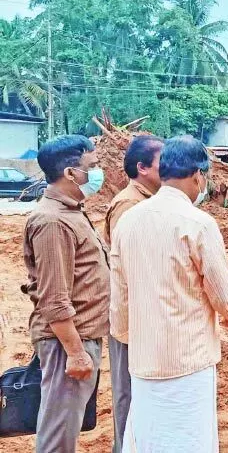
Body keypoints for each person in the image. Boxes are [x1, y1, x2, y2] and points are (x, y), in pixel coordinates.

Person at [110, 135, 228, 452]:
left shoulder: (128, 222)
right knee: (188, 439)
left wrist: (128, 336)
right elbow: (222, 291)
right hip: (187, 362)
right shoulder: (198, 223)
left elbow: (120, 296)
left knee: (149, 439)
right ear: (197, 175)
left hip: (144, 360)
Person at [22, 135, 109, 453]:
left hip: (79, 337)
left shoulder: (71, 212)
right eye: (93, 166)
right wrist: (75, 352)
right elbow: (54, 297)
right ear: (72, 173)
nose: (99, 172)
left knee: (66, 427)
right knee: (59, 435)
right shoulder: (52, 222)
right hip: (66, 342)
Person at [103, 135, 164, 453]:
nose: (168, 169)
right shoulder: (129, 205)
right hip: (131, 319)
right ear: (141, 168)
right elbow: (133, 267)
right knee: (128, 394)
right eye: (160, 163)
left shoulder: (148, 202)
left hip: (145, 316)